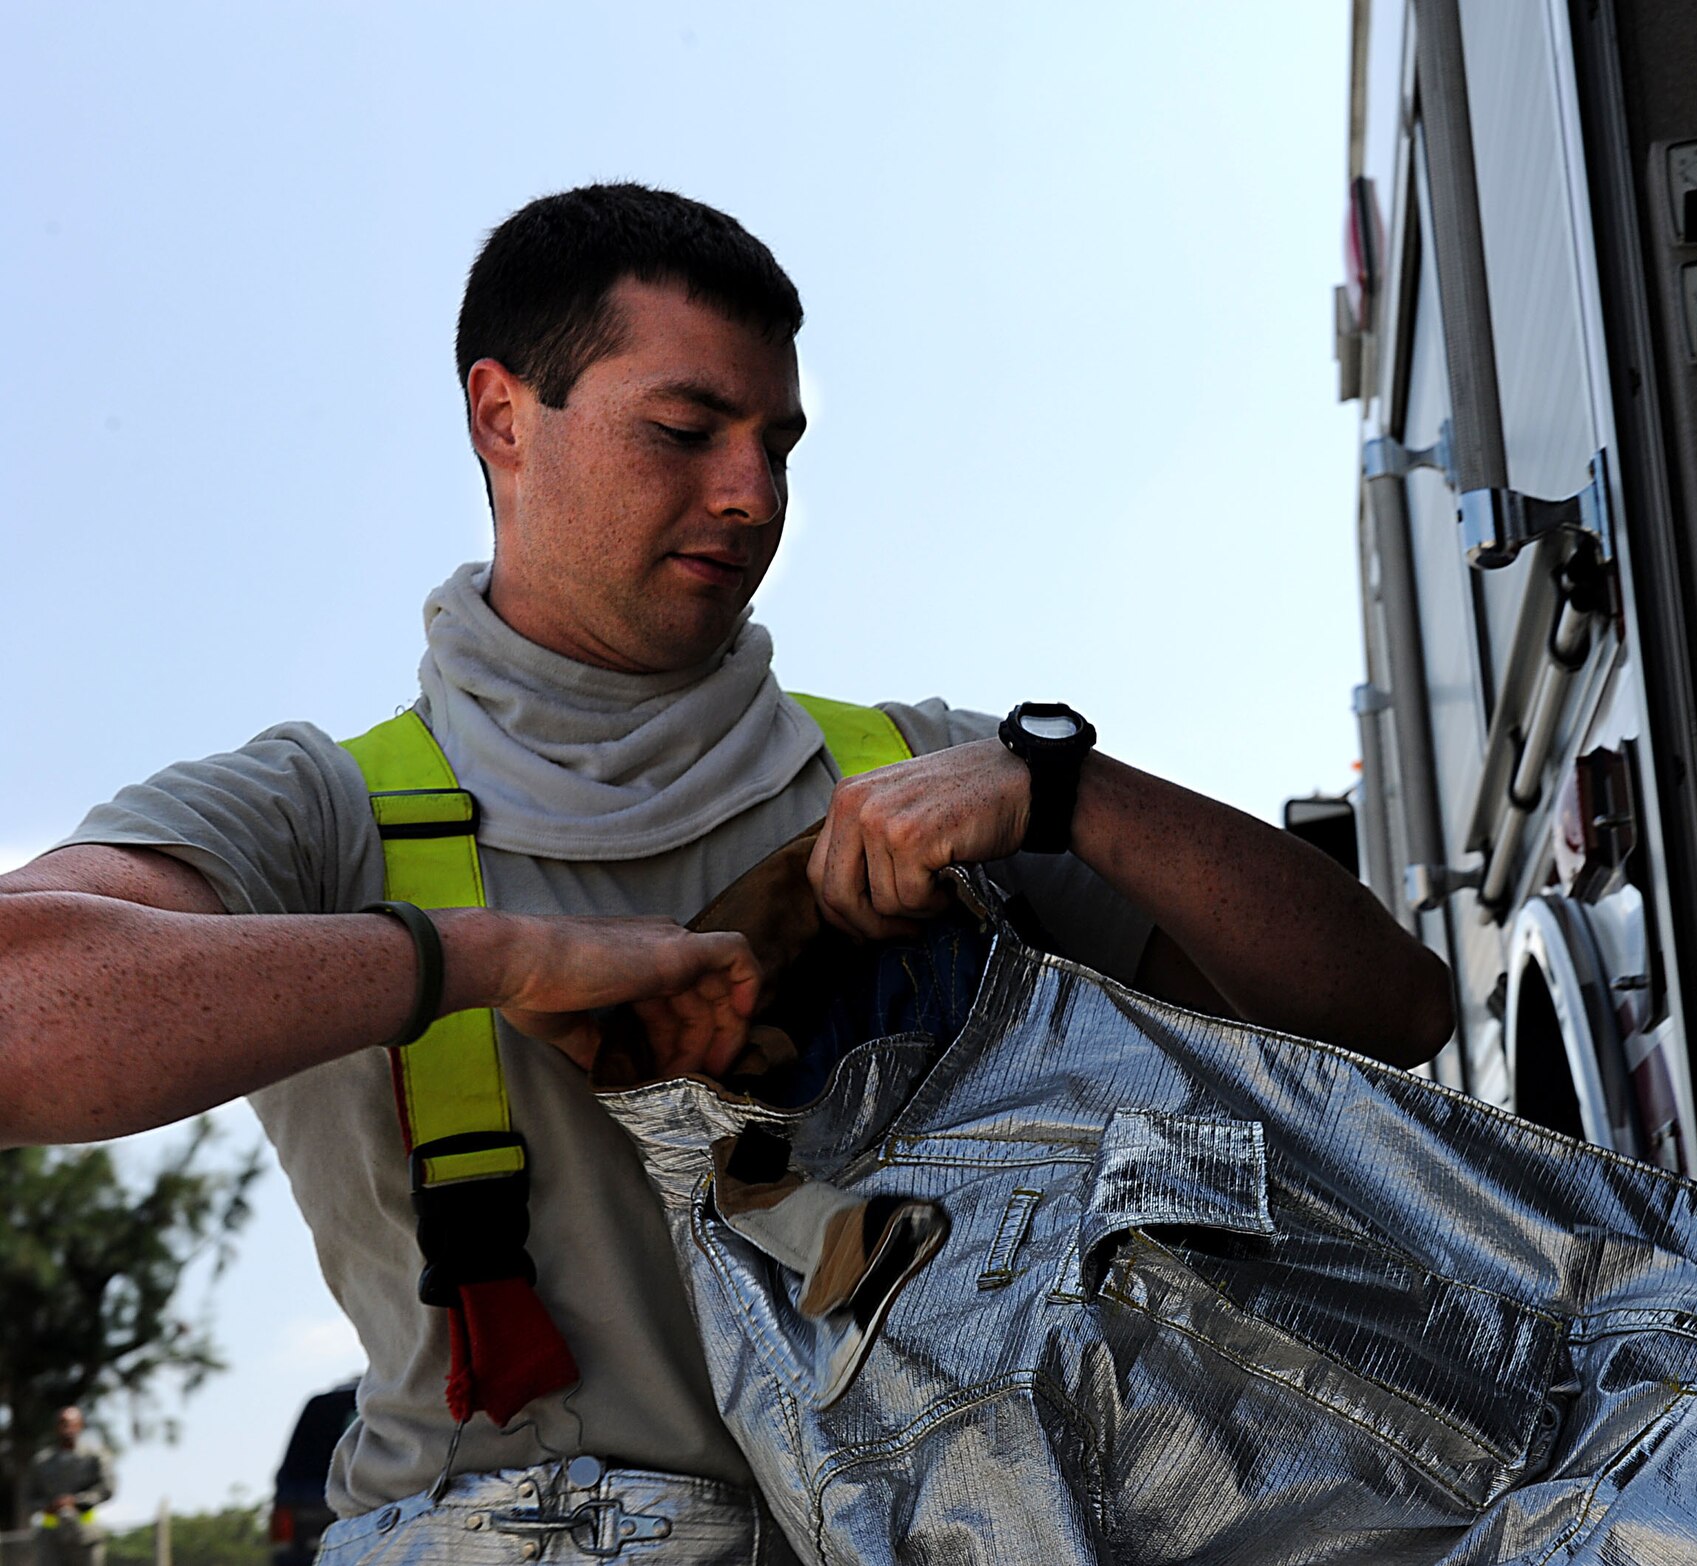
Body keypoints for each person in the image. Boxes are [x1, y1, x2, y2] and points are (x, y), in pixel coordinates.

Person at [0, 184, 1452, 1559]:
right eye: (685, 430)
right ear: (502, 417)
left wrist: (1072, 789)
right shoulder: (319, 816)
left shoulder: (927, 776)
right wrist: (488, 957)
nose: (752, 494)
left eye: (779, 445)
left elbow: (1390, 1014)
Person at [28, 1408, 114, 1566]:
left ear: (81, 1425)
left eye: (72, 1424)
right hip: (51, 1541)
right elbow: (30, 1497)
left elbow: (107, 1488)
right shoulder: (42, 1461)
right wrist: (48, 1506)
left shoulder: (95, 1456)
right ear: (56, 1428)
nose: (67, 1429)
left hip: (85, 1537)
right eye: (63, 1424)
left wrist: (77, 1501)